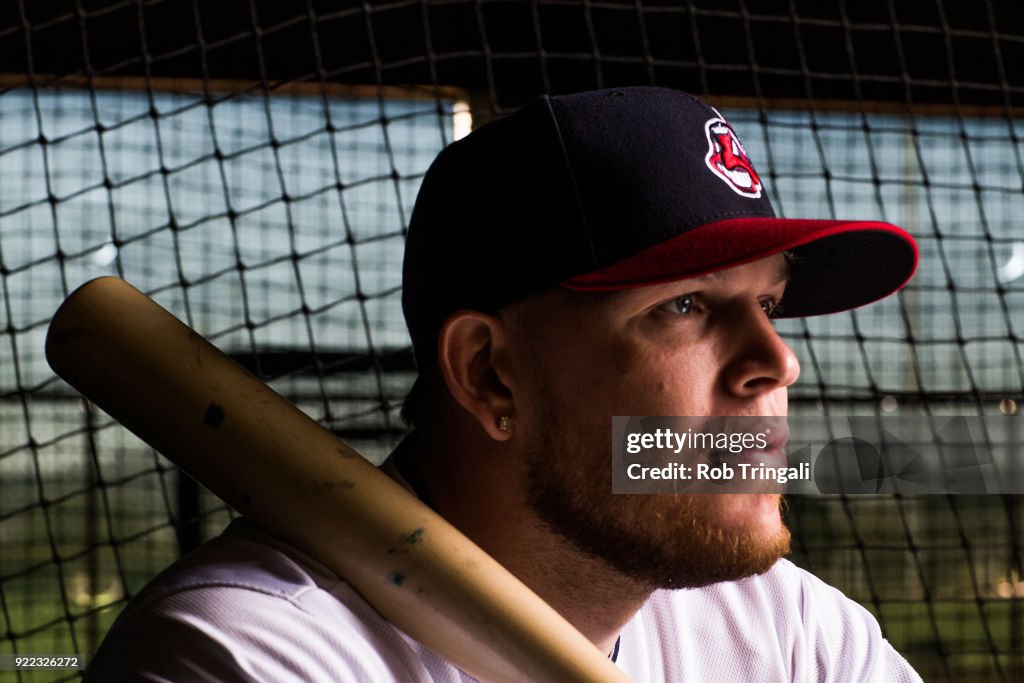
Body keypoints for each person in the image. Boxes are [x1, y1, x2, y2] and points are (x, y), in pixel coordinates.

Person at [86, 87, 921, 681]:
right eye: (687, 305)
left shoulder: (793, 635)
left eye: (769, 302)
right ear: (489, 374)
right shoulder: (247, 656)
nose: (777, 361)